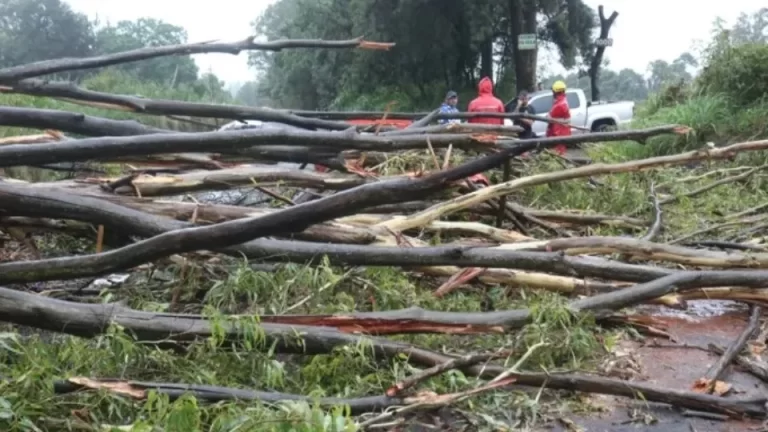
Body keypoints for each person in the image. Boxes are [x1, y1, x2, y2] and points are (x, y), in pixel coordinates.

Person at [546, 80, 571, 155]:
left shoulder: (560, 104)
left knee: (558, 153)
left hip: (558, 133)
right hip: (559, 132)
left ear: (555, 91)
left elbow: (550, 118)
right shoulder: (560, 101)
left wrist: (549, 117)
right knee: (558, 153)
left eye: (553, 91)